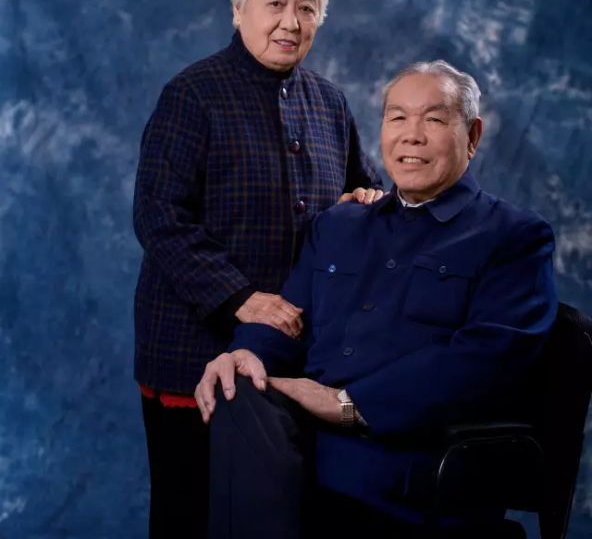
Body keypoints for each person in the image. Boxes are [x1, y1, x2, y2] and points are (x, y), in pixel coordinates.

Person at [195, 60, 557, 539]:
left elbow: (486, 362)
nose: (412, 136)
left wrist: (347, 403)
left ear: (472, 136)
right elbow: (287, 317)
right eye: (397, 117)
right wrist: (246, 354)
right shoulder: (338, 225)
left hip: (406, 462)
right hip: (300, 449)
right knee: (237, 385)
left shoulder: (514, 237)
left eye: (433, 119)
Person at [132, 0, 382, 538]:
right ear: (239, 7)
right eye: (275, 3)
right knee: (193, 517)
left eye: (307, 7)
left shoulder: (330, 103)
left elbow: (362, 191)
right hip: (192, 350)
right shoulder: (193, 94)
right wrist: (240, 298)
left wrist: (366, 204)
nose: (291, 22)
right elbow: (159, 216)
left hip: (294, 358)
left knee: (278, 519)